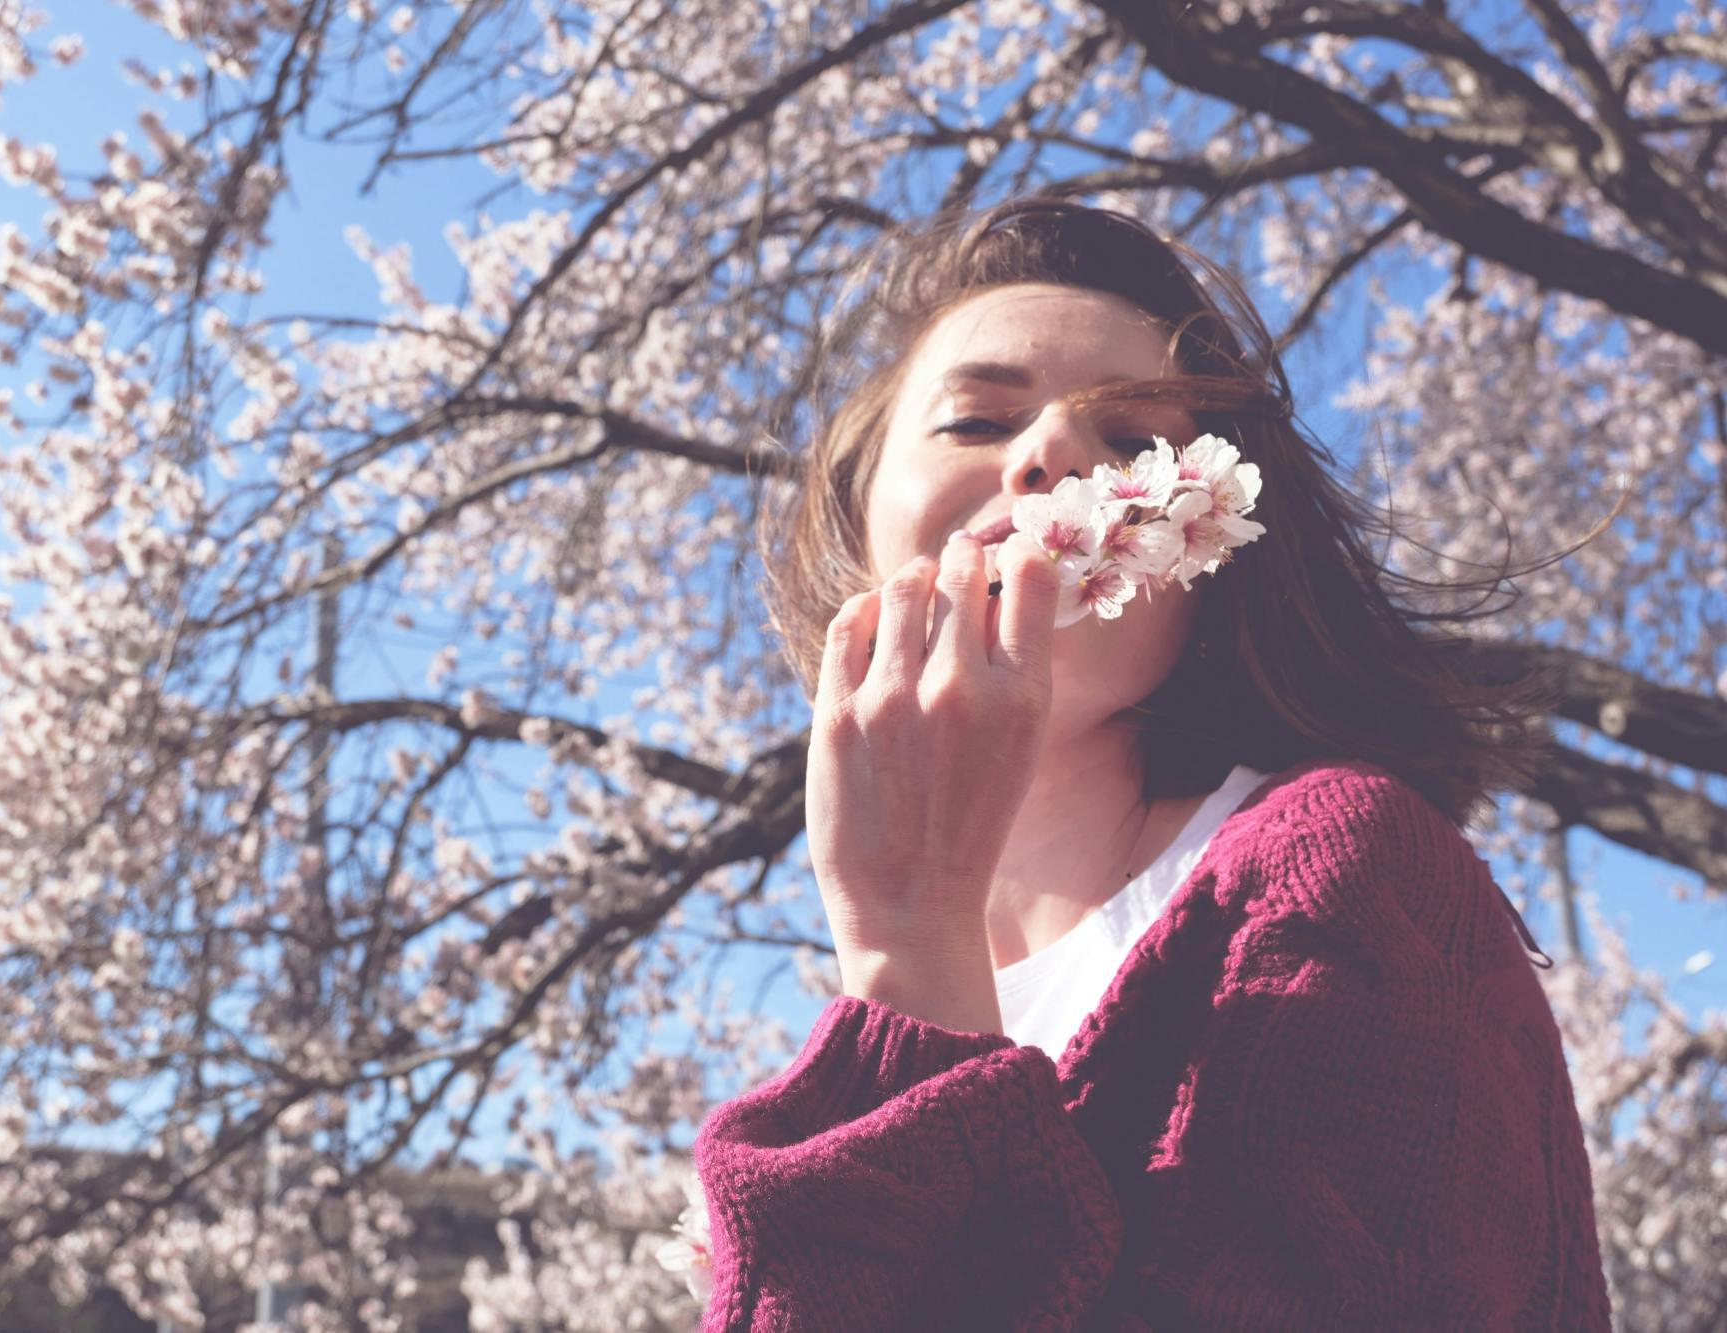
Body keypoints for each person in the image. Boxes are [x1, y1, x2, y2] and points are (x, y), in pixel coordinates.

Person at [692, 191, 1616, 1329]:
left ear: (1213, 556)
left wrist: (907, 948)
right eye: (976, 423)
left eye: (1133, 442)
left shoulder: (1346, 881)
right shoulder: (876, 989)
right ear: (852, 521)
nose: (1047, 453)